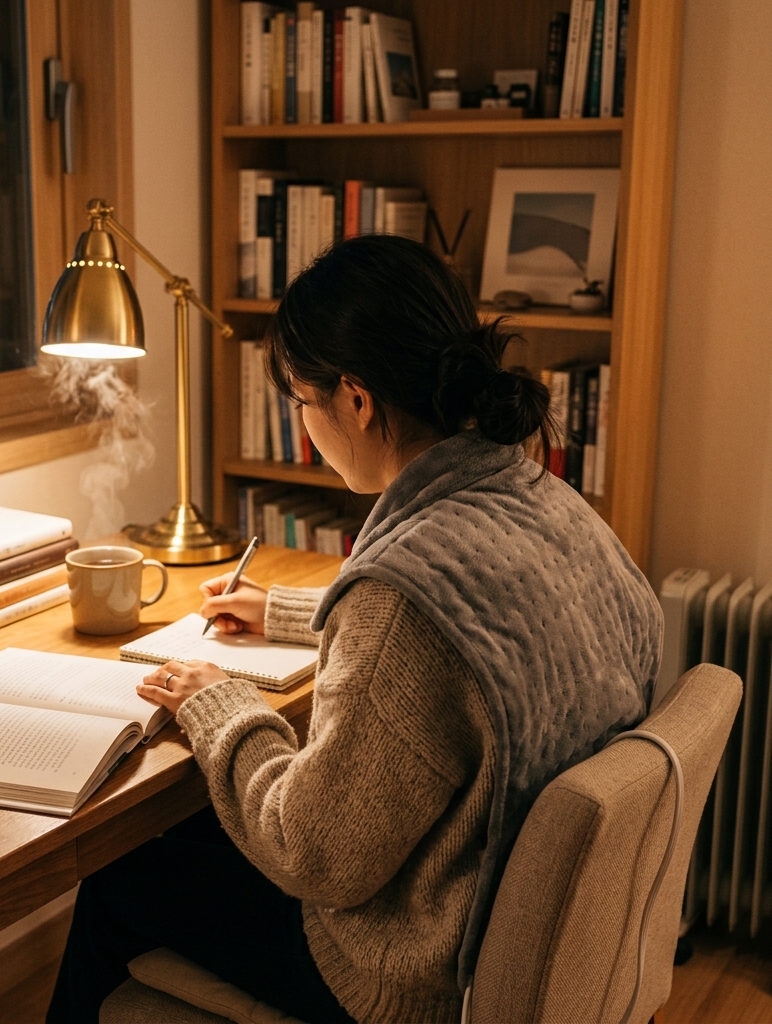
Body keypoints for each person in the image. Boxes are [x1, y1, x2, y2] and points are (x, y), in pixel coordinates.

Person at [47, 235, 662, 1024]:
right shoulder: (550, 502)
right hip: (536, 938)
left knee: (116, 877)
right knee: (196, 831)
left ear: (356, 400)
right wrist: (298, 613)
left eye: (301, 403)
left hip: (410, 974)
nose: (305, 428)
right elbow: (481, 642)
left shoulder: (398, 603)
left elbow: (314, 853)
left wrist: (220, 705)